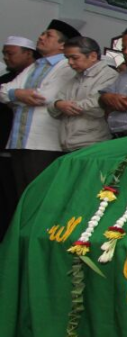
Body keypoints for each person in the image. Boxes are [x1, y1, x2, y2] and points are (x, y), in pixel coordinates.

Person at [1, 19, 78, 205]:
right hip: (19, 141)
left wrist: (15, 97)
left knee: (40, 196)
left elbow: (44, 96)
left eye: (48, 35)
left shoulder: (67, 66)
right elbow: (3, 90)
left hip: (44, 143)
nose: (41, 37)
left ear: (62, 45)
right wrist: (17, 93)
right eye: (43, 33)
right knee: (22, 196)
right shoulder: (35, 66)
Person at [48, 36, 119, 152]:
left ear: (93, 56)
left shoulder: (109, 75)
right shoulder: (74, 78)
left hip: (93, 143)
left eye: (74, 58)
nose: (70, 63)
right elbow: (52, 106)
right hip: (67, 143)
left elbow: (97, 105)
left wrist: (66, 106)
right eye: (68, 58)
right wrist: (58, 104)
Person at [0, 35, 40, 237]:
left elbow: (41, 98)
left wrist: (15, 95)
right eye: (4, 54)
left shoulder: (41, 74)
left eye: (11, 53)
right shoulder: (6, 80)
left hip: (35, 146)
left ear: (28, 54)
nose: (7, 58)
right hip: (10, 144)